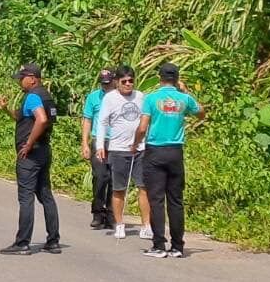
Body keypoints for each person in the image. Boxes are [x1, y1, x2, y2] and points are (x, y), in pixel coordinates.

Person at [132, 61, 205, 258]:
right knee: (176, 200)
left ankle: (158, 245)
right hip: (175, 151)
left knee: (156, 199)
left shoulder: (151, 98)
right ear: (177, 78)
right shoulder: (184, 99)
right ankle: (177, 246)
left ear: (160, 77)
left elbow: (142, 127)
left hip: (155, 151)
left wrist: (135, 144)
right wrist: (187, 92)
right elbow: (201, 113)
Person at [0, 63, 60, 255]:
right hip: (44, 151)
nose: (19, 82)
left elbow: (42, 119)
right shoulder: (46, 96)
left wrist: (28, 144)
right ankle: (53, 241)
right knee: (46, 195)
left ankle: (22, 243)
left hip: (30, 155)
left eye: (21, 78)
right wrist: (5, 109)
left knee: (26, 197)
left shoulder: (33, 97)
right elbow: (23, 118)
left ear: (32, 78)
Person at [95, 65, 152, 242]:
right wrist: (100, 145)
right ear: (117, 82)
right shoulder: (110, 98)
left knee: (143, 187)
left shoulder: (141, 97)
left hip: (140, 148)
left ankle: (146, 225)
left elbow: (146, 119)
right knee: (119, 188)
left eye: (131, 81)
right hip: (118, 148)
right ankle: (119, 224)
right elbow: (103, 122)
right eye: (124, 81)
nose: (128, 84)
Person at [80, 68, 115, 230]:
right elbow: (87, 120)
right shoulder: (94, 97)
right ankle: (97, 212)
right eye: (103, 83)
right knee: (100, 177)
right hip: (98, 141)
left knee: (114, 179)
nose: (106, 86)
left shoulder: (120, 97)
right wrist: (85, 143)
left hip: (117, 142)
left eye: (108, 83)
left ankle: (111, 213)